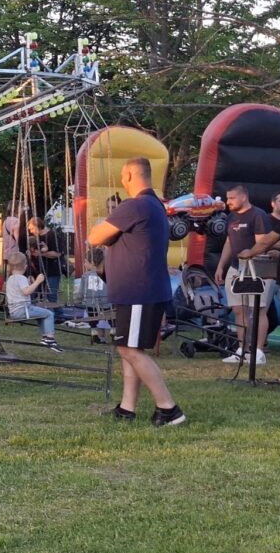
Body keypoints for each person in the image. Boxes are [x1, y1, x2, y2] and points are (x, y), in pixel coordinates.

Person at [88, 156, 185, 427]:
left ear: (130, 175)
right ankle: (127, 408)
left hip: (138, 290)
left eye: (123, 175)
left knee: (130, 350)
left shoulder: (135, 205)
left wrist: (106, 233)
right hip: (141, 290)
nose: (122, 180)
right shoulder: (154, 205)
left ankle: (169, 408)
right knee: (129, 348)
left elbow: (95, 237)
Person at [215, 184, 273, 365]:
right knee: (238, 309)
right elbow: (229, 242)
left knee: (257, 309)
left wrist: (251, 257)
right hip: (235, 267)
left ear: (243, 197)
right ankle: (242, 349)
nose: (228, 202)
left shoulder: (258, 215)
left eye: (232, 198)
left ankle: (259, 352)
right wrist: (221, 266)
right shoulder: (231, 217)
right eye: (227, 198)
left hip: (256, 268)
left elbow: (262, 244)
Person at [4, 252, 63, 353]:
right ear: (25, 266)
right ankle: (50, 339)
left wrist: (28, 282)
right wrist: (37, 281)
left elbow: (20, 290)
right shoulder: (21, 278)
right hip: (23, 309)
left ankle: (45, 337)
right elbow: (26, 292)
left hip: (14, 311)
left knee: (41, 314)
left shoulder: (10, 279)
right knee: (49, 314)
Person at [76, 247, 111, 345]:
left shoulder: (85, 276)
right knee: (110, 318)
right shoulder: (107, 274)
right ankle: (113, 331)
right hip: (106, 303)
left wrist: (78, 300)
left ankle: (97, 335)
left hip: (91, 304)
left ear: (92, 262)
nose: (84, 264)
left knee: (93, 319)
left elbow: (81, 292)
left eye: (85, 262)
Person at [27, 217, 64, 303]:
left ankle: (56, 311)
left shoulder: (51, 235)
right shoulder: (35, 238)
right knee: (35, 294)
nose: (31, 231)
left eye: (32, 229)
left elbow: (57, 254)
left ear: (38, 226)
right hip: (38, 272)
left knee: (51, 295)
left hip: (51, 271)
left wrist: (41, 254)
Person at [268, 190, 280, 331]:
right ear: (273, 203)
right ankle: (258, 341)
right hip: (266, 273)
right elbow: (261, 241)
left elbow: (270, 241)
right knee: (260, 310)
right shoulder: (265, 220)